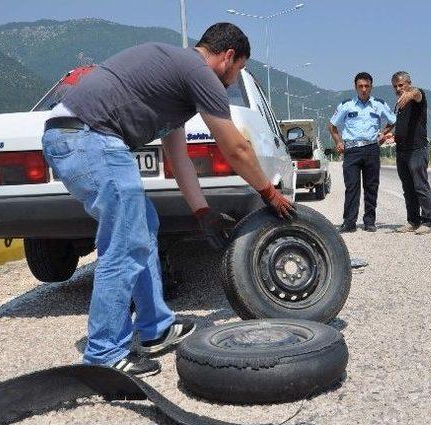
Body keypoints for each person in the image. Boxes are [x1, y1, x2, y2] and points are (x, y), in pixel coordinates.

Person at [40, 23, 295, 377]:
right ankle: (103, 355)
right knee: (125, 242)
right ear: (228, 57)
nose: (235, 81)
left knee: (142, 228)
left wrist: (201, 211)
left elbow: (178, 159)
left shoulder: (175, 84)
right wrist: (268, 192)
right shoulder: (199, 72)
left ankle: (155, 327)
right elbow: (235, 147)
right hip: (89, 138)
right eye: (238, 71)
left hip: (77, 138)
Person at [328, 72, 396, 233]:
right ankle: (349, 222)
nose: (364, 89)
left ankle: (369, 221)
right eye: (360, 86)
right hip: (352, 150)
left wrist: (382, 134)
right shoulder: (347, 105)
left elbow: (392, 120)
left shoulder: (379, 104)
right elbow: (332, 125)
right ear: (355, 87)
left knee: (371, 186)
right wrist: (338, 142)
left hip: (371, 149)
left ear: (371, 87)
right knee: (352, 186)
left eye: (367, 86)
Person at [387, 71, 431, 234]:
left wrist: (410, 94)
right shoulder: (399, 105)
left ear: (409, 83)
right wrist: (388, 135)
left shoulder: (416, 98)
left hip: (417, 150)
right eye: (395, 86)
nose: (398, 89)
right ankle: (413, 221)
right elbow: (402, 126)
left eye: (401, 85)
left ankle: (427, 222)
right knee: (408, 188)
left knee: (420, 186)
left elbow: (417, 93)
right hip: (402, 152)